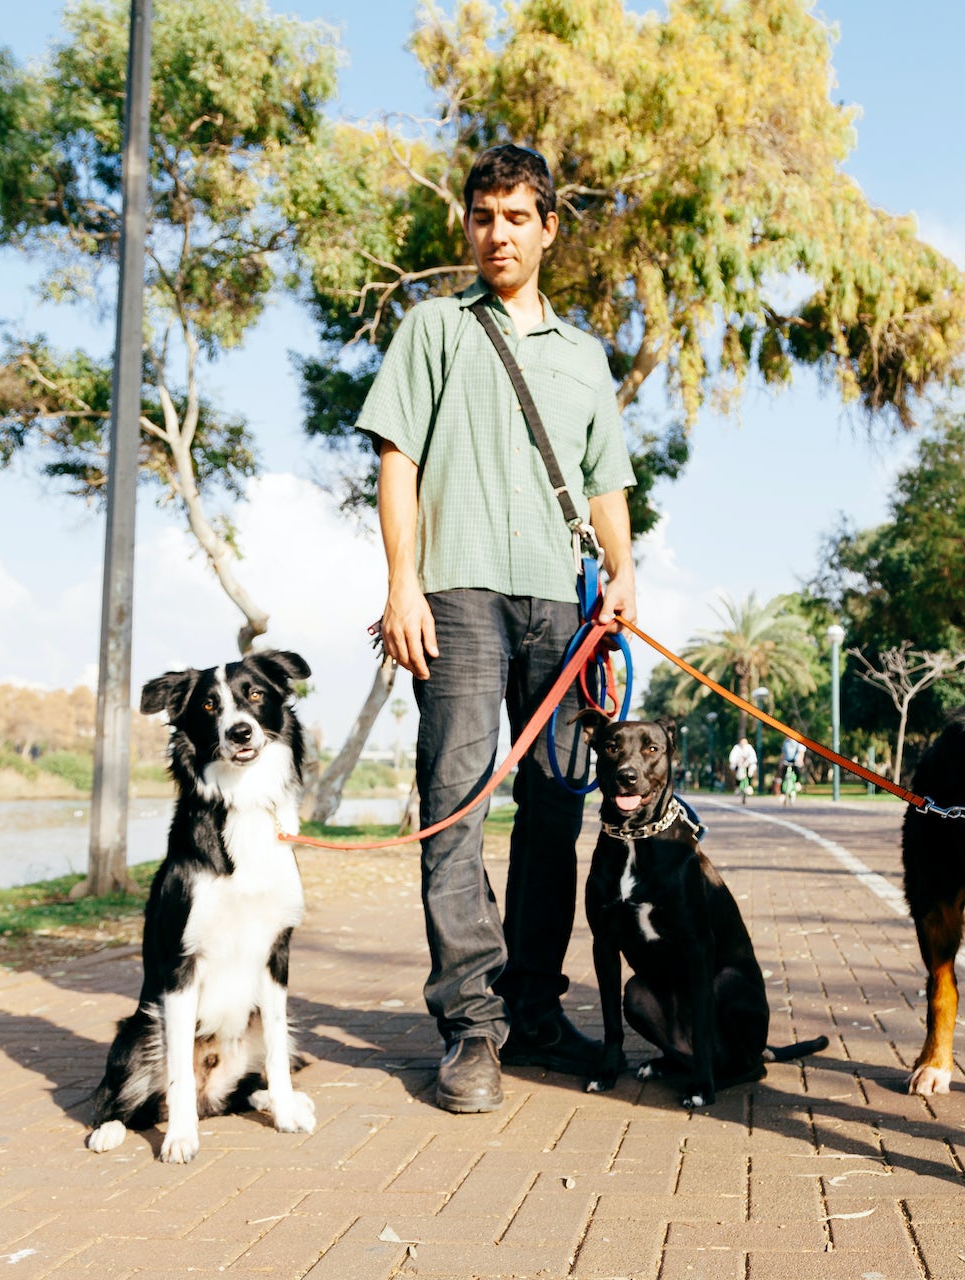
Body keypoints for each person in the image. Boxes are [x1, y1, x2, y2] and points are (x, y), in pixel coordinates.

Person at [359, 145, 637, 1114]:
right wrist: (402, 584)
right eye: (484, 216)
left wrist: (623, 575)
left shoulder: (583, 355)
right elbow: (396, 459)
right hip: (459, 595)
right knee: (458, 804)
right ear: (468, 227)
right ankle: (470, 1025)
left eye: (518, 216)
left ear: (549, 227)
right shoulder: (433, 328)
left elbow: (605, 484)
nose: (499, 233)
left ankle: (533, 1007)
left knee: (556, 813)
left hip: (561, 607)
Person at [728, 736, 757, 804]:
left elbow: (753, 757)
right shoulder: (736, 748)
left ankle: (749, 785)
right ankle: (737, 786)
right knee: (735, 770)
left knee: (751, 770)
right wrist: (736, 762)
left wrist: (748, 762)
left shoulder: (749, 748)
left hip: (747, 765)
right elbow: (732, 757)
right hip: (738, 764)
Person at [779, 736, 804, 807]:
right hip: (787, 760)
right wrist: (781, 761)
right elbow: (783, 753)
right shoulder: (785, 742)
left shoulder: (797, 741)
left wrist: (800, 760)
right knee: (783, 774)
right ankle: (782, 793)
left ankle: (798, 782)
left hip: (795, 761)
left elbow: (801, 751)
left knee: (797, 771)